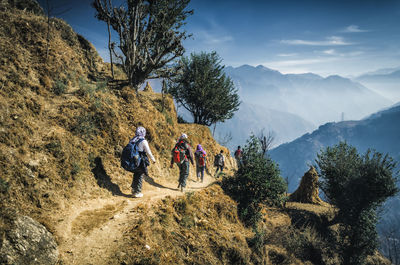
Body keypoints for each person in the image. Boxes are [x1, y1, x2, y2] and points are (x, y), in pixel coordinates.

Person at [130, 126, 156, 198]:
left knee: (136, 174)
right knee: (140, 175)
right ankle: (137, 192)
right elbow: (148, 152)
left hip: (133, 159)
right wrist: (153, 159)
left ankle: (133, 190)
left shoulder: (133, 139)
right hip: (140, 160)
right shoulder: (143, 141)